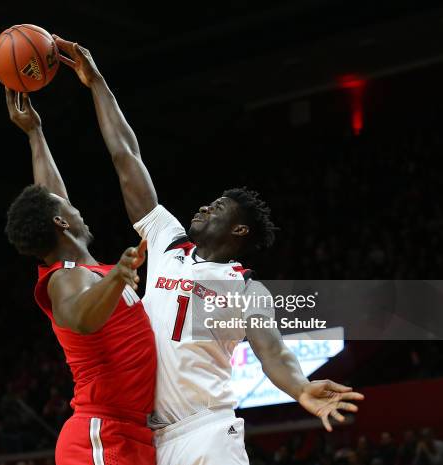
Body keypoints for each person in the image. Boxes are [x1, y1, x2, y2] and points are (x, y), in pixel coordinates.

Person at [53, 35, 365, 465]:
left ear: (238, 229)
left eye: (217, 208)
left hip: (206, 432)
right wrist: (98, 85)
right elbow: (127, 157)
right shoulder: (166, 239)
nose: (204, 206)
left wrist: (300, 388)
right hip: (152, 440)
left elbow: (272, 351)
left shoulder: (246, 290)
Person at [3, 88, 157, 465]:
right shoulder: (65, 278)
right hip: (101, 435)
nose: (75, 207)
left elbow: (49, 193)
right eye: (67, 207)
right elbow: (78, 319)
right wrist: (117, 277)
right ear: (60, 222)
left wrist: (35, 133)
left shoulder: (83, 268)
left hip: (131, 431)